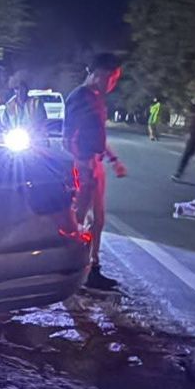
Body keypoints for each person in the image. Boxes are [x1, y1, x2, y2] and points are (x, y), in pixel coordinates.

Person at [63, 53, 128, 291]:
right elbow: (68, 137)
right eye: (112, 77)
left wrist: (113, 159)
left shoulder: (97, 99)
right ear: (99, 73)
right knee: (78, 219)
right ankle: (70, 269)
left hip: (95, 163)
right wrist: (82, 164)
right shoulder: (80, 97)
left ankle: (93, 267)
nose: (113, 83)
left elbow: (99, 135)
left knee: (98, 220)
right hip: (84, 164)